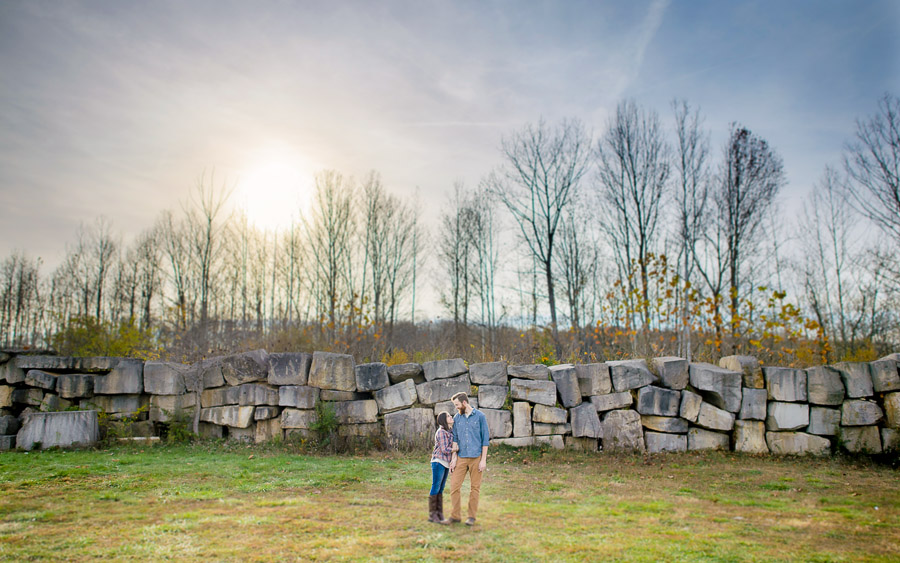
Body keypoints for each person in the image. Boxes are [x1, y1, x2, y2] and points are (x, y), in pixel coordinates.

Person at [443, 391, 489, 526]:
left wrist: (483, 460)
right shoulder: (457, 418)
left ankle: (471, 517)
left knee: (475, 488)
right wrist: (454, 458)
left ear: (464, 403)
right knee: (454, 486)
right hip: (461, 458)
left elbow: (485, 439)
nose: (456, 408)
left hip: (476, 457)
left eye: (457, 405)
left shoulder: (480, 416)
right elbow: (455, 439)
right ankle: (455, 516)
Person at [428, 411, 454, 523]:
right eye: (448, 416)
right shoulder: (441, 432)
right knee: (436, 486)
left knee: (441, 488)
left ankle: (439, 513)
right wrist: (455, 449)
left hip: (445, 463)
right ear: (444, 420)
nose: (451, 416)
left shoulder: (449, 431)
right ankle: (432, 514)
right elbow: (444, 450)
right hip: (439, 462)